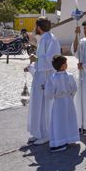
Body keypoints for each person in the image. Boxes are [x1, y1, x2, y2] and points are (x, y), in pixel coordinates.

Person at [24, 17, 61, 146]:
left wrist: (36, 59)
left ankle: (46, 134)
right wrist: (31, 66)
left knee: (45, 106)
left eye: (35, 26)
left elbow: (52, 59)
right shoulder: (43, 39)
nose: (34, 29)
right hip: (40, 76)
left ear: (39, 27)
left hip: (47, 78)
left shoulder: (51, 39)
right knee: (38, 105)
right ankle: (37, 132)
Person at [45, 55, 79, 153]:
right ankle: (69, 138)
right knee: (69, 119)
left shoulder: (52, 78)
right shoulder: (70, 76)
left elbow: (48, 94)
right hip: (68, 101)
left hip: (58, 103)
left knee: (58, 121)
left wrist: (55, 94)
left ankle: (59, 141)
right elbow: (74, 88)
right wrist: (70, 95)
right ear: (63, 66)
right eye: (66, 63)